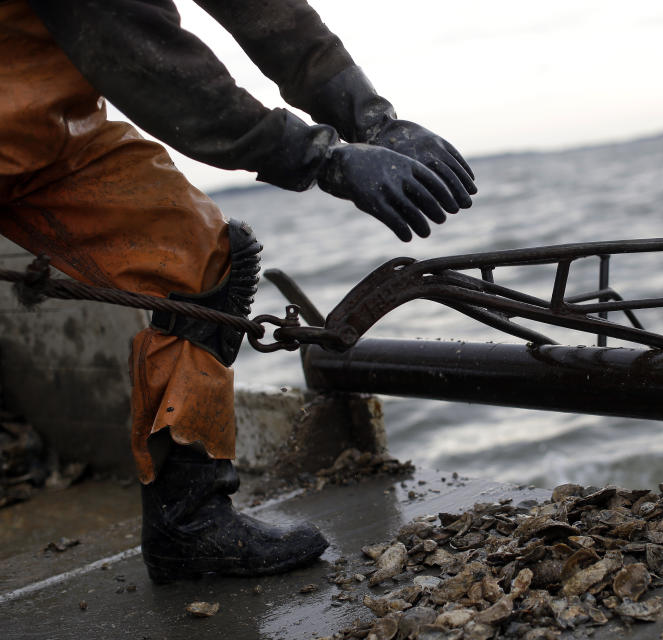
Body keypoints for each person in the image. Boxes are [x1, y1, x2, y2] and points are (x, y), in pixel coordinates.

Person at [0, 0, 476, 582]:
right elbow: (138, 54)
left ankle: (189, 526)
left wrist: (373, 119)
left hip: (50, 135)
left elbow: (267, 12)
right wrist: (322, 156)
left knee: (204, 260)